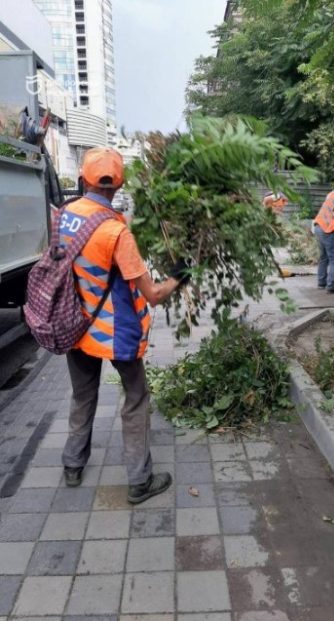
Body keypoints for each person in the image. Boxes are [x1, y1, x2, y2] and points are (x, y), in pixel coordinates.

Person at [60, 147, 189, 504]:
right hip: (115, 332)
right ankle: (139, 481)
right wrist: (179, 276)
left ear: (83, 179)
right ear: (119, 185)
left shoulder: (64, 216)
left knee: (82, 394)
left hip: (73, 325)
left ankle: (72, 465)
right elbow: (153, 295)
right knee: (136, 397)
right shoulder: (116, 233)